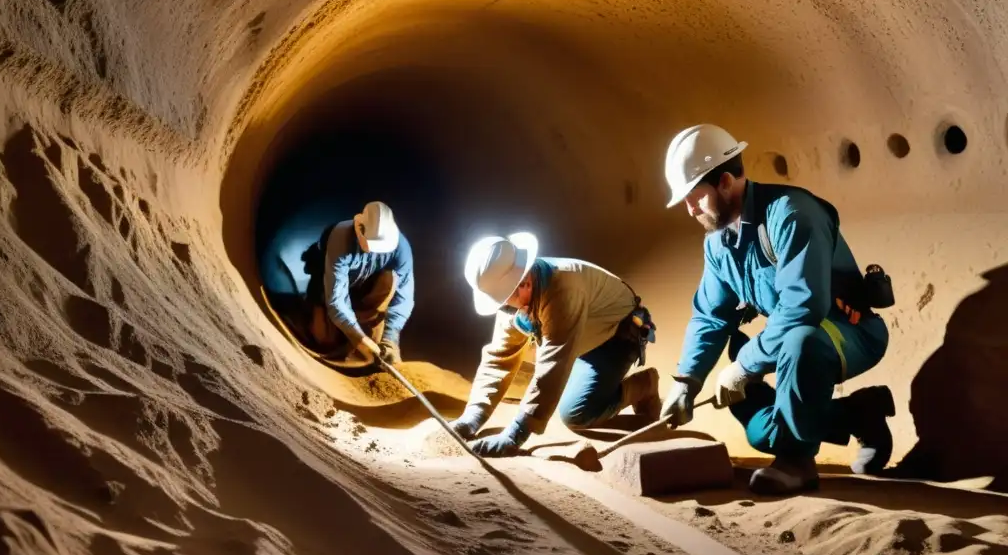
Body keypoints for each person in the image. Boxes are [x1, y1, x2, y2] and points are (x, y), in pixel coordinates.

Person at [660, 123, 896, 495]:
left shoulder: (792, 214)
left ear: (724, 182)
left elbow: (804, 307)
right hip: (794, 340)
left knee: (796, 342)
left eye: (694, 197)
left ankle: (796, 463)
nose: (689, 210)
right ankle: (854, 414)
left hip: (844, 332)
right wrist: (686, 381)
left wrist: (745, 366)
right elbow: (711, 315)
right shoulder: (718, 243)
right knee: (758, 426)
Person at [449, 232, 661, 457]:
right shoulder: (512, 302)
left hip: (616, 335)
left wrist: (516, 433)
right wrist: (473, 416)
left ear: (524, 283)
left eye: (504, 299)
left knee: (577, 414)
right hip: (580, 337)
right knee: (537, 361)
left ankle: (644, 386)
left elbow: (552, 367)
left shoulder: (563, 289)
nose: (505, 308)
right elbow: (500, 357)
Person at [301, 200, 414, 364]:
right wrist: (358, 338)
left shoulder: (401, 248)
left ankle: (365, 323)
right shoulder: (341, 237)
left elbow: (404, 296)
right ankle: (315, 312)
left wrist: (390, 339)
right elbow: (336, 298)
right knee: (324, 340)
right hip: (328, 287)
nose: (377, 252)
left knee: (391, 279)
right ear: (359, 228)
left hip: (363, 288)